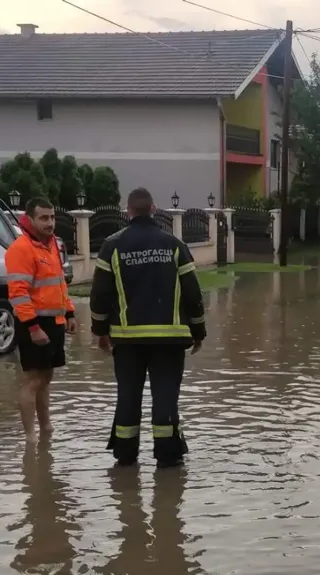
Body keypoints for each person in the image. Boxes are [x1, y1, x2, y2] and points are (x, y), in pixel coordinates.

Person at [89, 187, 206, 469]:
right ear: (153, 209)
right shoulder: (175, 245)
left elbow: (99, 296)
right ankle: (167, 456)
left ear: (127, 211)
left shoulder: (111, 246)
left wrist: (100, 331)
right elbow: (193, 295)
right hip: (170, 339)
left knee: (128, 395)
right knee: (165, 396)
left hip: (127, 341)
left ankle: (125, 455)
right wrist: (198, 331)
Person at [5, 197, 77, 445]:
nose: (50, 223)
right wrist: (33, 328)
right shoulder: (21, 249)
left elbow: (59, 284)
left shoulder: (52, 246)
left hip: (54, 322)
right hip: (34, 324)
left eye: (52, 217)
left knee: (46, 378)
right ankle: (30, 436)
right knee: (33, 379)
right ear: (30, 219)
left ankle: (46, 428)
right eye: (44, 218)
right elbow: (18, 293)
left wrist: (69, 313)